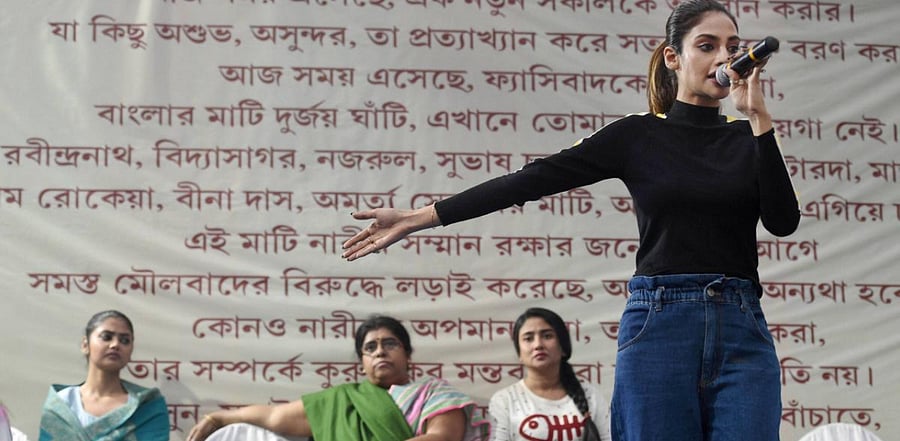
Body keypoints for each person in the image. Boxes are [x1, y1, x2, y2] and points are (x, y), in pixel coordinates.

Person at [340, 0, 801, 439]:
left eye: (733, 46)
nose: (725, 57)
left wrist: (759, 119)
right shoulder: (637, 135)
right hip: (661, 323)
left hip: (740, 325)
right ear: (673, 58)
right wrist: (424, 216)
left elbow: (783, 222)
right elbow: (532, 179)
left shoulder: (748, 136)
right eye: (707, 45)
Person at [186, 314, 490, 441]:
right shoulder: (342, 400)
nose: (380, 352)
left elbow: (442, 438)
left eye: (390, 344)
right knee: (240, 434)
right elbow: (276, 416)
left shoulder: (434, 392)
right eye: (370, 348)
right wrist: (218, 419)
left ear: (408, 354)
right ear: (362, 363)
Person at [39, 310, 169, 441]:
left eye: (125, 340)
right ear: (85, 345)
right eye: (106, 337)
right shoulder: (61, 404)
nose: (115, 345)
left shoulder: (147, 407)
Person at [489, 308, 610, 441]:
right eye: (528, 338)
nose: (538, 345)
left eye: (547, 336)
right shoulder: (504, 400)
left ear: (563, 347)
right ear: (520, 354)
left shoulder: (590, 395)